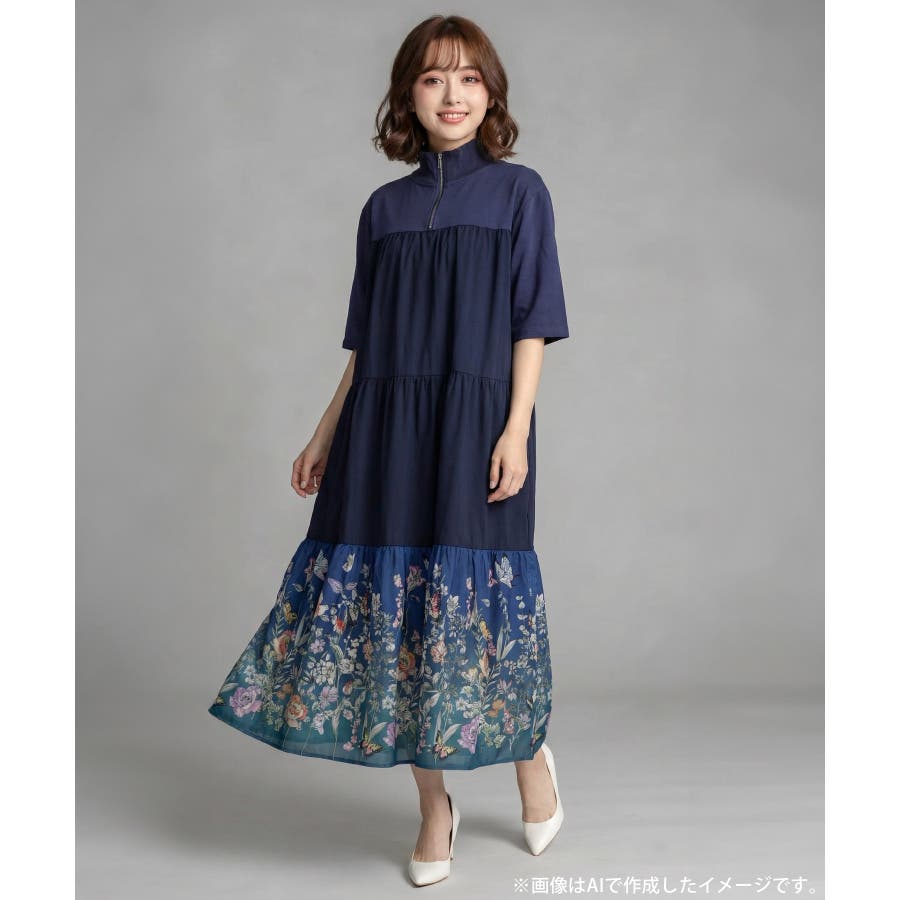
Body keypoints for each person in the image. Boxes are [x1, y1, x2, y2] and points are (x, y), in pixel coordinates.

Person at [208, 14, 569, 886]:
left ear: (491, 95)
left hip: (475, 422)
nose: (453, 95)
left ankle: (529, 757)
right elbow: (366, 344)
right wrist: (325, 431)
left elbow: (532, 322)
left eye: (470, 79)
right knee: (397, 613)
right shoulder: (384, 210)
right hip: (383, 427)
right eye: (434, 78)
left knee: (477, 610)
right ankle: (434, 806)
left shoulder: (520, 193)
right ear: (408, 93)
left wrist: (515, 427)